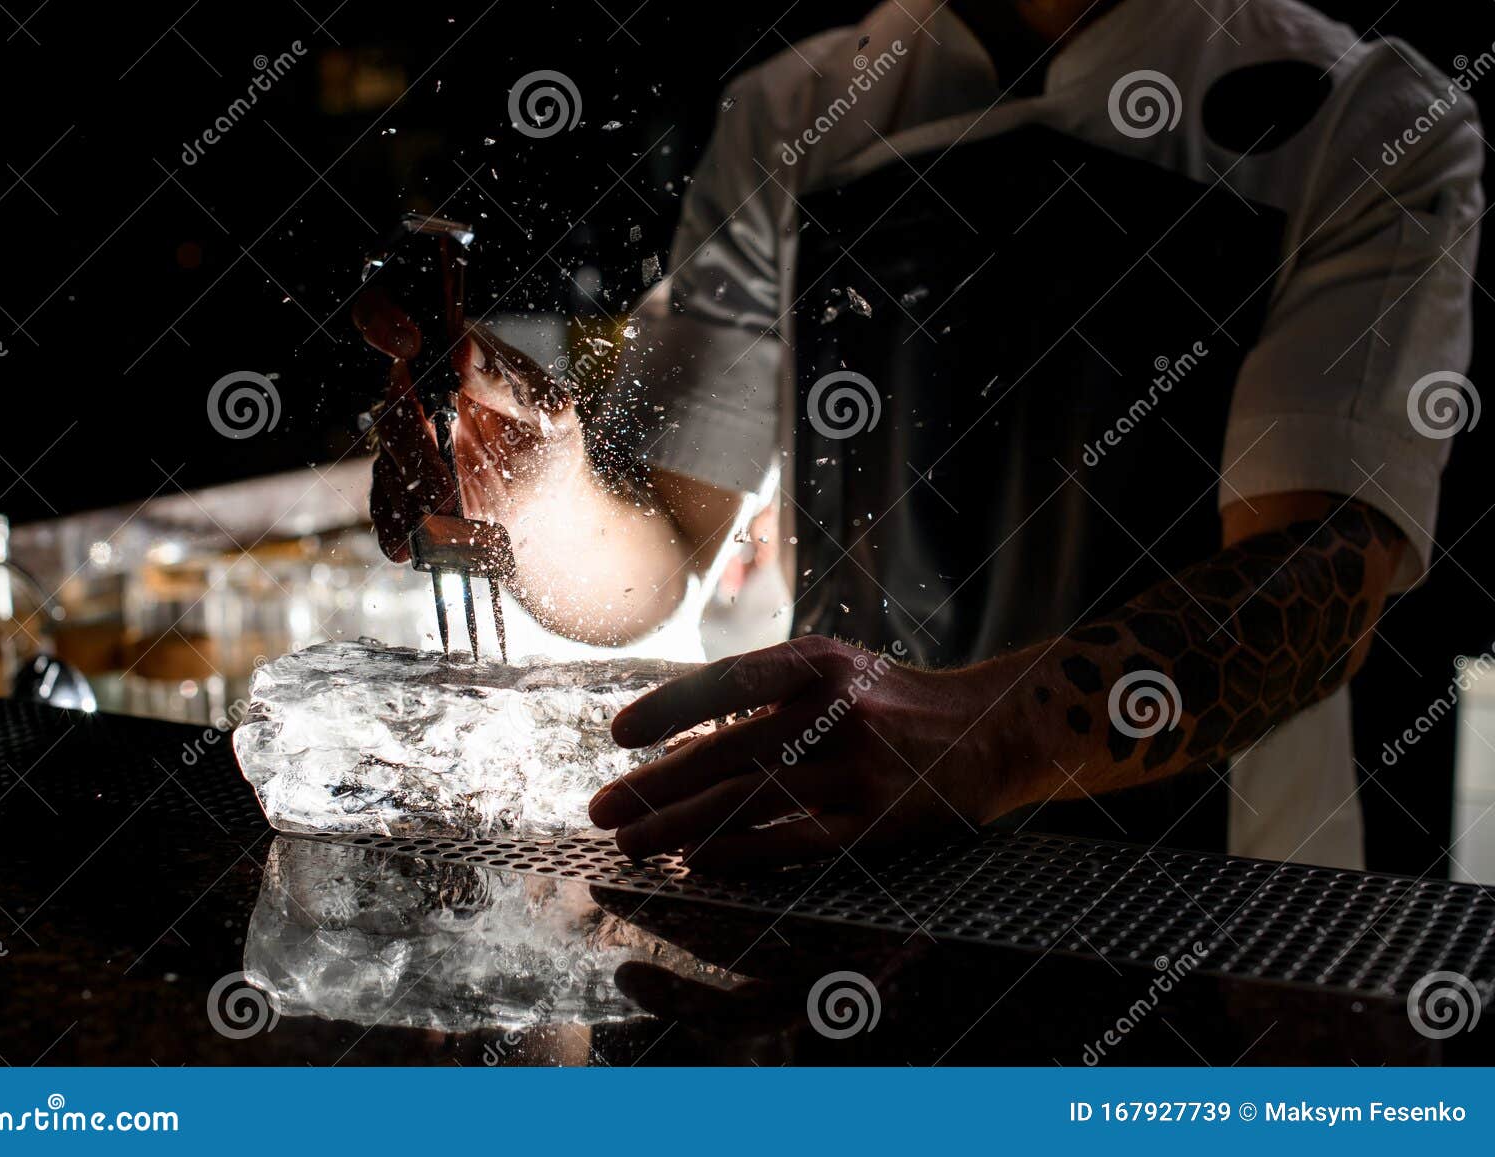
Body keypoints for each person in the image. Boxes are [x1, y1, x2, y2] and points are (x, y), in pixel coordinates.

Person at [367, 0, 1483, 872]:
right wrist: (543, 489)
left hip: (1214, 924)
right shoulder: (792, 110)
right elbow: (650, 562)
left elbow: (1318, 588)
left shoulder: (1365, 119)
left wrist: (973, 740)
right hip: (848, 875)